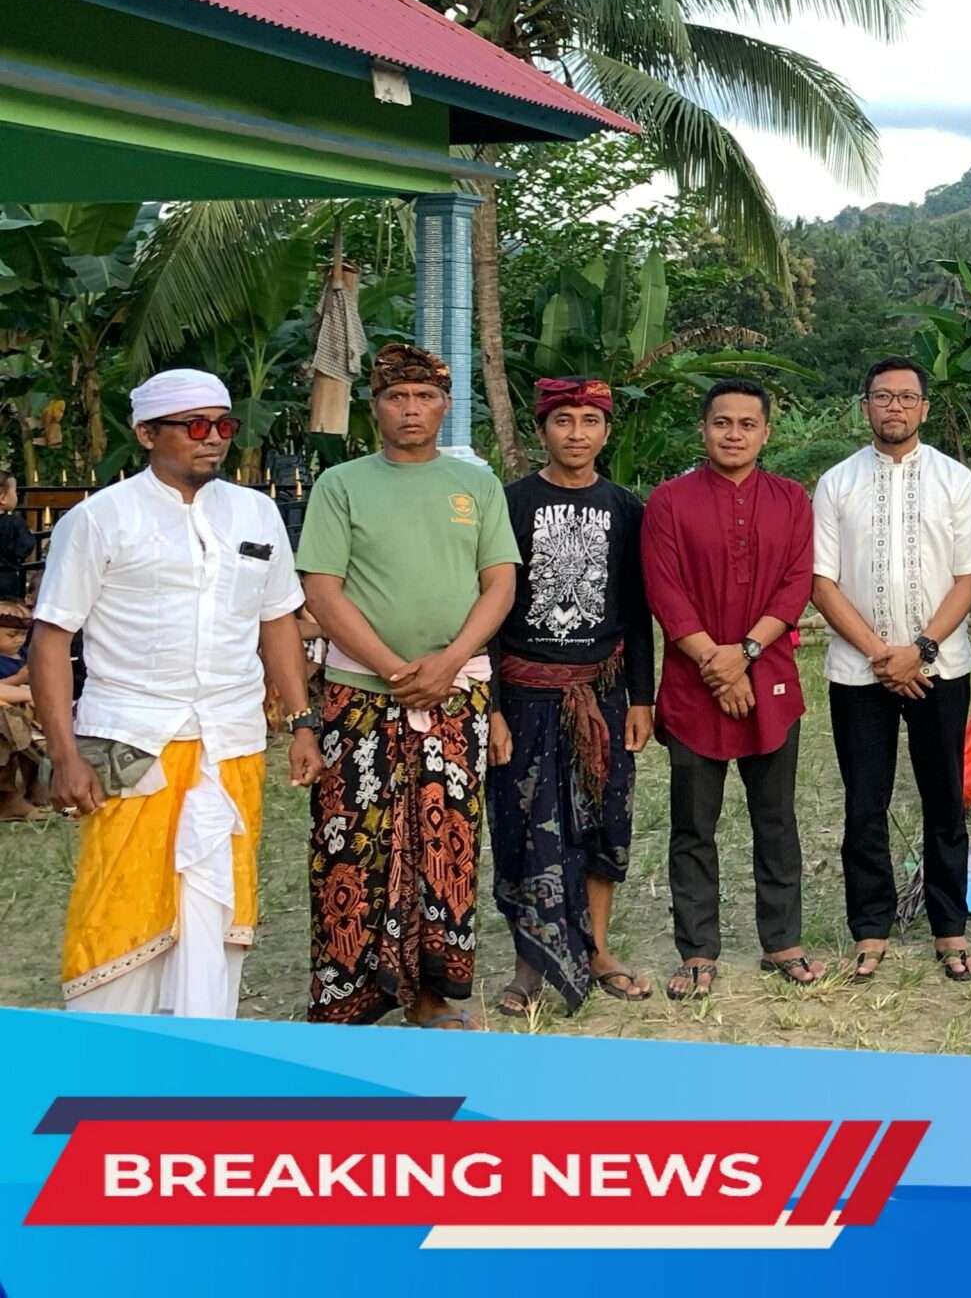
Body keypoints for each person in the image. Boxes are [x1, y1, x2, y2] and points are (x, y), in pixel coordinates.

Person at [32, 369, 315, 1015]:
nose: (212, 439)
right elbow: (51, 640)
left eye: (223, 425)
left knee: (218, 909)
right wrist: (67, 755)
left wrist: (302, 721)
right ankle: (107, 1063)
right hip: (133, 740)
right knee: (119, 905)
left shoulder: (255, 511)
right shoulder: (98, 520)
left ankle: (198, 1058)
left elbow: (278, 621)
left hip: (231, 739)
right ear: (145, 433)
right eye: (194, 426)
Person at [297, 343, 517, 1028]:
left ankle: (428, 993)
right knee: (352, 844)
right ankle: (351, 999)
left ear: (445, 405)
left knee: (446, 842)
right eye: (398, 398)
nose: (411, 409)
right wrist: (395, 671)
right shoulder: (342, 485)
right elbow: (322, 590)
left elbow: (500, 581)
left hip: (456, 694)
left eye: (424, 397)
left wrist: (449, 662)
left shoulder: (474, 486)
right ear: (376, 409)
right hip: (359, 696)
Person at [643, 377, 822, 1000]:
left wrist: (743, 654)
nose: (734, 434)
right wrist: (713, 664)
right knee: (693, 824)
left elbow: (796, 583)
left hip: (769, 675)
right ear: (704, 429)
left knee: (776, 820)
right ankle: (697, 950)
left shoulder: (792, 499)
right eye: (723, 422)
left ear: (766, 432)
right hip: (693, 686)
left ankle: (783, 943)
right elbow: (664, 589)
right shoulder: (668, 502)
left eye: (748, 424)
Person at [812, 357, 971, 984]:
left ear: (924, 409)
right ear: (865, 406)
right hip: (859, 673)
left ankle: (950, 927)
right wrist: (883, 656)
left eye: (906, 398)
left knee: (944, 800)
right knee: (865, 803)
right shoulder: (836, 483)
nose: (894, 408)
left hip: (942, 665)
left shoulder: (955, 480)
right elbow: (822, 582)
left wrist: (920, 650)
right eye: (882, 396)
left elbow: (970, 579)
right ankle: (870, 928)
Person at [490, 377, 656, 1017]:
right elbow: (494, 613)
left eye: (590, 420)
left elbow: (638, 611)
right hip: (527, 693)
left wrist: (642, 698)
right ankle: (529, 964)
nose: (577, 433)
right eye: (564, 420)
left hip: (604, 693)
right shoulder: (509, 504)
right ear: (542, 431)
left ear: (606, 432)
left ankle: (598, 949)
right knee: (526, 828)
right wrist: (496, 709)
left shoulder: (625, 508)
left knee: (601, 823)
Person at [0, 602, 37, 821]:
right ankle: (10, 799)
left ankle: (36, 793)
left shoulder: (23, 654)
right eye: (11, 634)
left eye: (23, 634)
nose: (18, 640)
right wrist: (21, 684)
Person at [0, 469, 36, 602]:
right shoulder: (14, 523)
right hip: (6, 578)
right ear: (3, 498)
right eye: (14, 492)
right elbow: (26, 545)